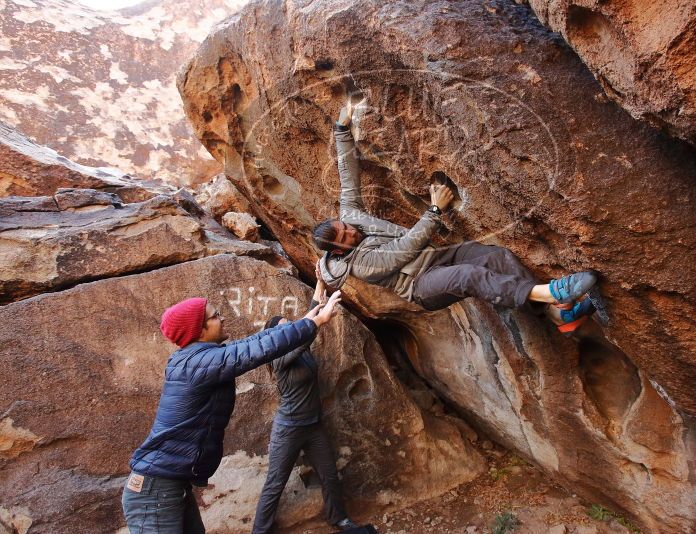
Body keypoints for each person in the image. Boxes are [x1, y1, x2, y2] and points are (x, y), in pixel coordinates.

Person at [313, 98, 597, 331]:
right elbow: (404, 249)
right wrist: (434, 210)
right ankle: (552, 294)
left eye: (344, 226)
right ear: (337, 251)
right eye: (344, 236)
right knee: (468, 275)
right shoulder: (360, 266)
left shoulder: (350, 215)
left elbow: (347, 174)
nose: (351, 230)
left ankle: (561, 316)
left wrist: (341, 129)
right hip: (421, 285)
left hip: (437, 258)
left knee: (497, 257)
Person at [122, 290, 342, 534]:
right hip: (154, 492)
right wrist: (316, 323)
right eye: (216, 316)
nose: (223, 318)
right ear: (200, 330)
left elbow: (253, 342)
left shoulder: (200, 357)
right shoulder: (198, 363)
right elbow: (255, 351)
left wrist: (307, 320)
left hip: (167, 487)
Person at [251, 270, 357, 533]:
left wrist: (320, 282)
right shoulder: (279, 359)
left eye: (291, 325)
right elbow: (308, 330)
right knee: (275, 482)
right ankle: (259, 530)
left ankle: (339, 519)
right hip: (289, 428)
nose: (291, 328)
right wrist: (320, 319)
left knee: (329, 475)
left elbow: (309, 318)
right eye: (285, 327)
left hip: (314, 425)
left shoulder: (301, 348)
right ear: (274, 337)